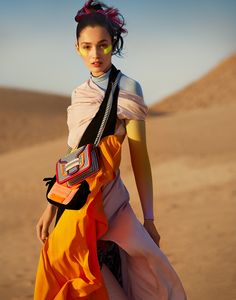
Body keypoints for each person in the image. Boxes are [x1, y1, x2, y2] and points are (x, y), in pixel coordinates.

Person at [34, 1, 187, 299]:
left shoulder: (128, 87)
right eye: (87, 47)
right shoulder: (79, 94)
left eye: (103, 45)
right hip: (77, 205)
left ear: (113, 45)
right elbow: (73, 155)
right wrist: (51, 204)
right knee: (75, 276)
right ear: (77, 48)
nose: (95, 54)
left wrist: (150, 218)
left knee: (151, 278)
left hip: (112, 204)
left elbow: (140, 157)